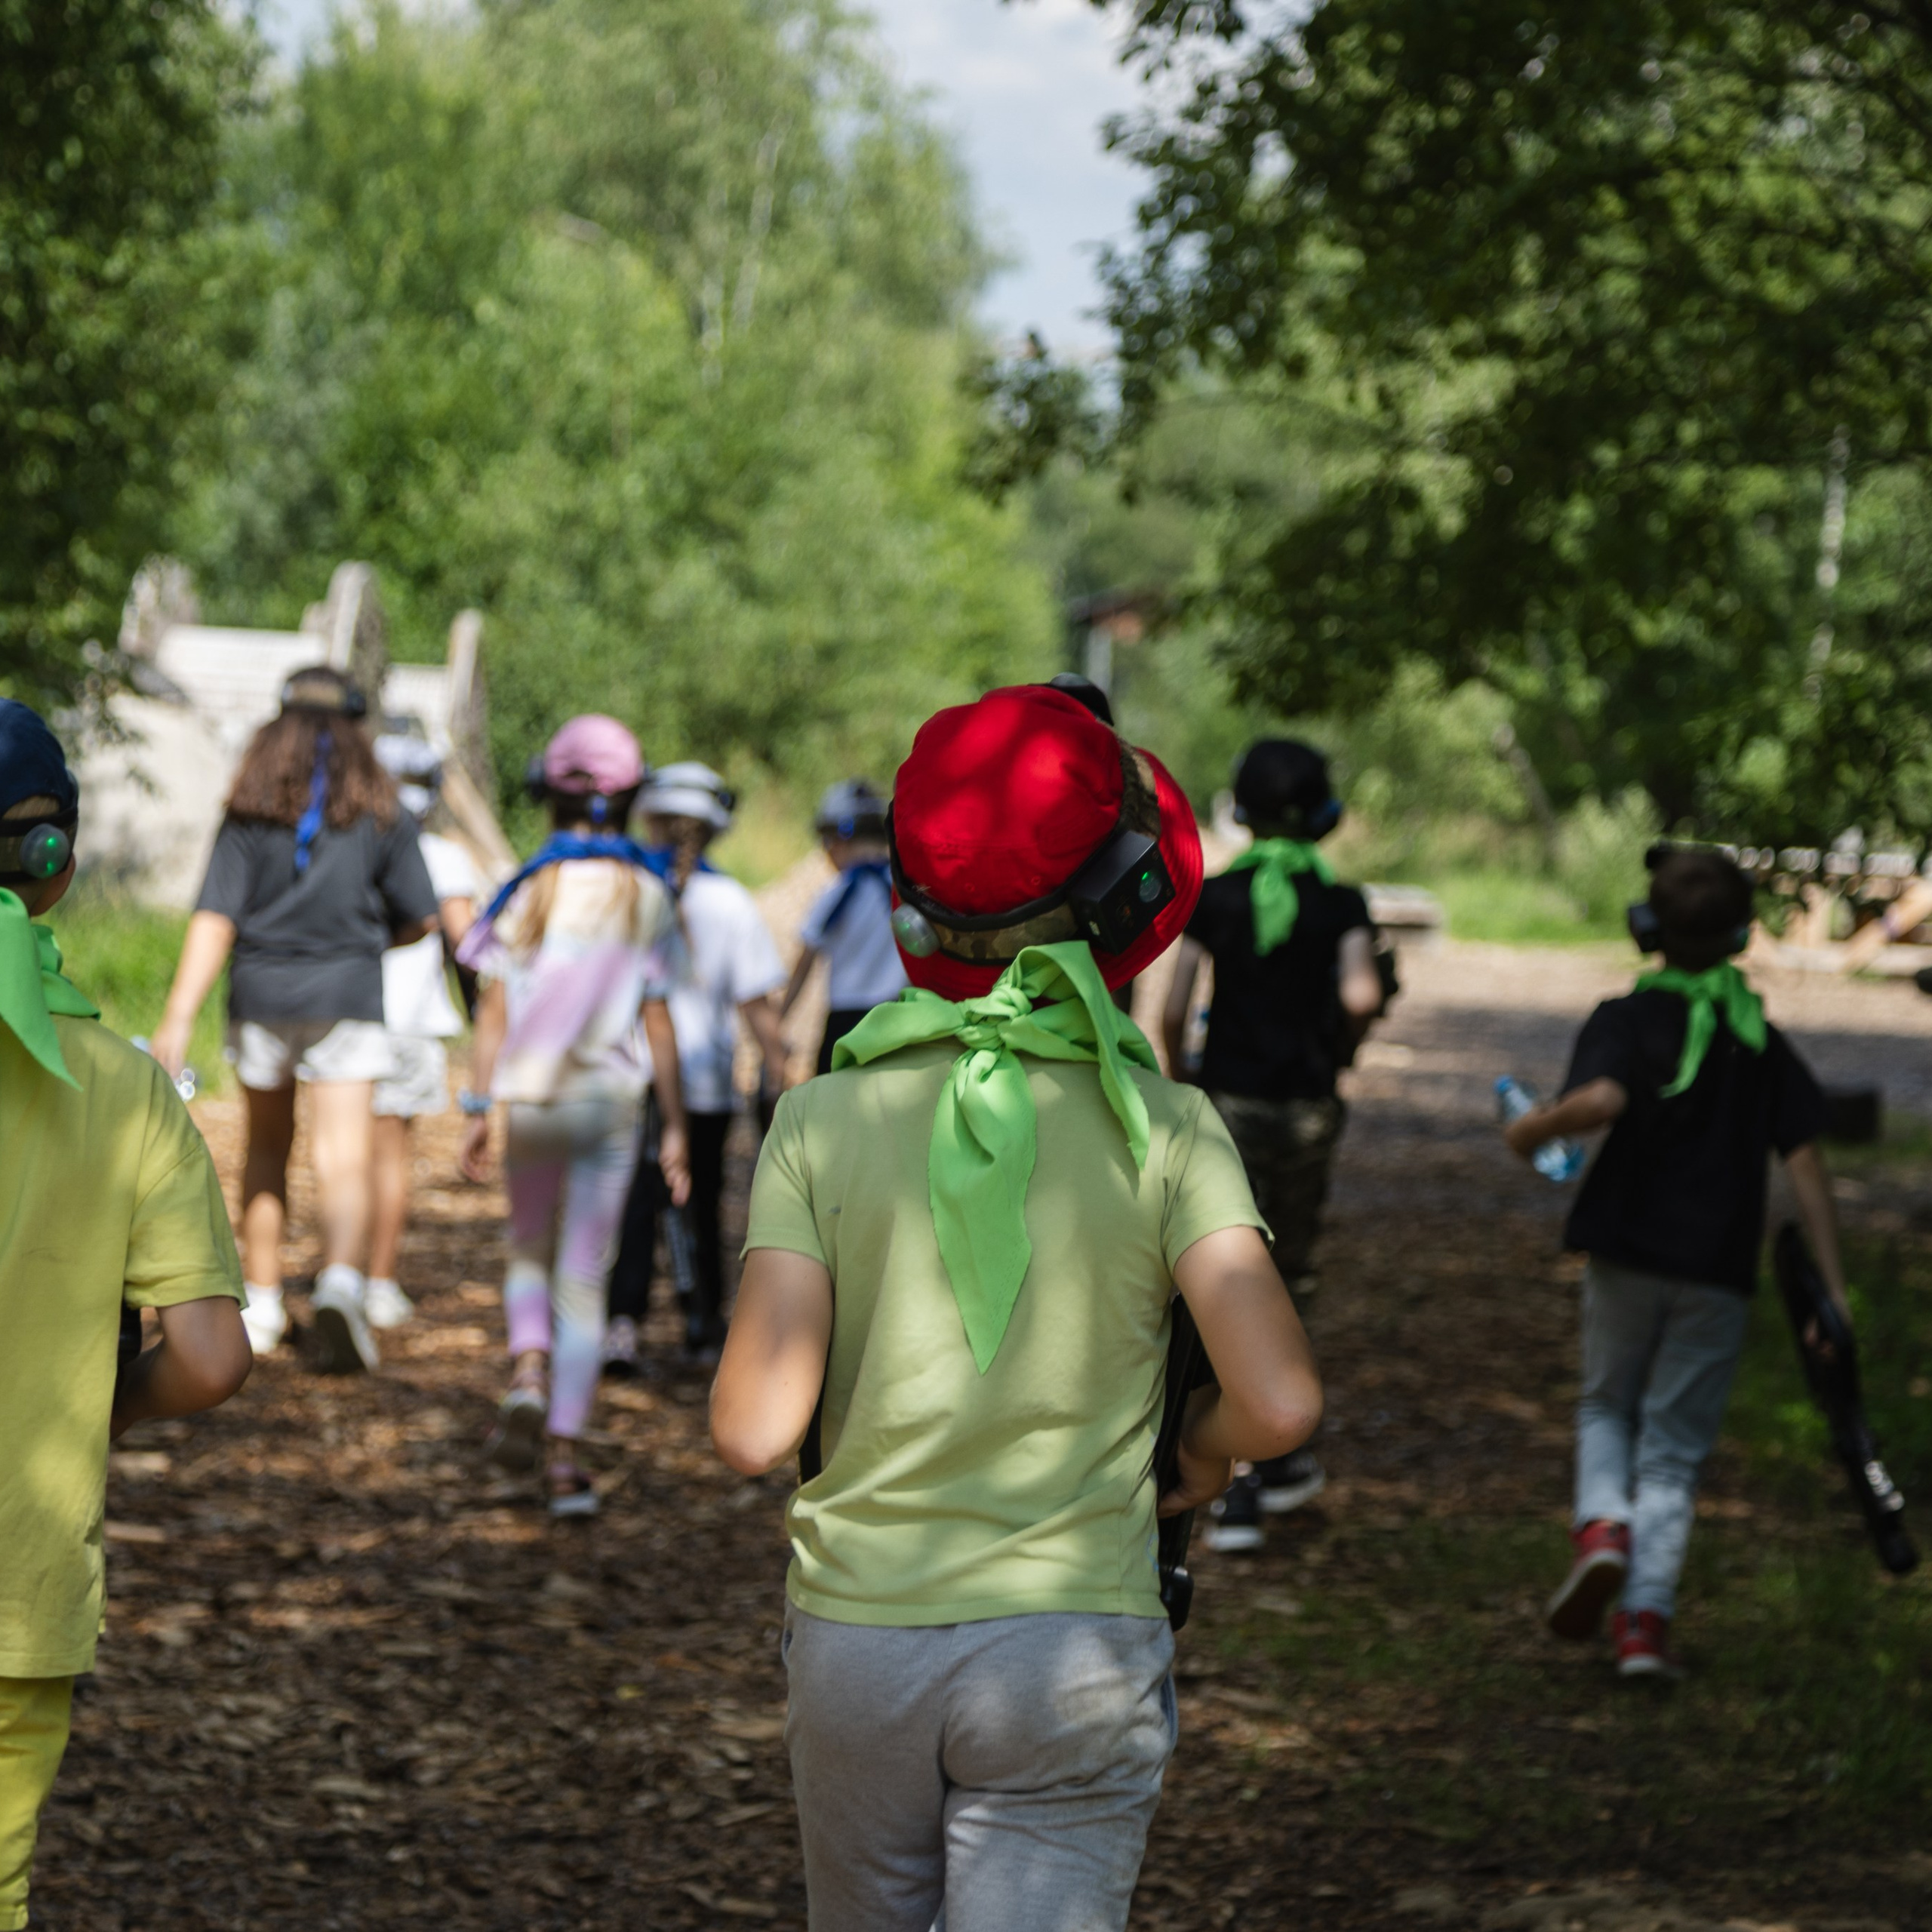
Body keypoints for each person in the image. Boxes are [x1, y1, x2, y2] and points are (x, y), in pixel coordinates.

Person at [711, 684, 1323, 1931]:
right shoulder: (1168, 1127)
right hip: (1073, 1647)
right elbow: (1277, 1400)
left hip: (856, 1648)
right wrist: (1192, 1455)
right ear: (1128, 893)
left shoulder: (823, 1119)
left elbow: (752, 1428)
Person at [0, 701, 252, 1931]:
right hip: (19, 1589)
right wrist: (97, 1405)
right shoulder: (129, 1094)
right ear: (54, 862)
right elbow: (207, 1358)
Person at [1503, 846, 1842, 1678]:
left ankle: (1601, 1528)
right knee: (1675, 1448)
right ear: (1740, 937)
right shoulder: (1758, 1037)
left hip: (1625, 1251)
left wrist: (1533, 1127)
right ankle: (1643, 1627)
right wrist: (1831, 1287)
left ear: (1645, 927)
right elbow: (1804, 1162)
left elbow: (1605, 1099)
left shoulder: (1622, 1017)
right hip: (1717, 1268)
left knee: (1605, 1404)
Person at [151, 667, 438, 1373]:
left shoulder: (250, 807)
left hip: (261, 994)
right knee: (344, 1153)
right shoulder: (381, 810)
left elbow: (216, 917)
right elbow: (422, 917)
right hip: (347, 994)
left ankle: (264, 1298)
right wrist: (368, 943)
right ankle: (340, 1283)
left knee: (267, 1149)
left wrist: (177, 1019)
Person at [457, 716, 690, 1516]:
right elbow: (659, 1021)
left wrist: (479, 1105)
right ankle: (564, 1462)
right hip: (610, 1105)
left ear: (548, 794)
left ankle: (526, 1371)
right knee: (583, 1278)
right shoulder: (651, 892)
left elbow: (491, 1011)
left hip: (530, 1096)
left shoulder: (527, 888)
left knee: (527, 1249)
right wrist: (680, 1127)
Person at [1160, 738, 1384, 1550]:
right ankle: (1280, 1452)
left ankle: (1232, 1475)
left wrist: (1184, 1072)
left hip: (1225, 1109)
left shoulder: (1212, 898)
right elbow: (1359, 992)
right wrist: (1342, 1051)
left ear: (1242, 810)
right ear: (1324, 814)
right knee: (1291, 1271)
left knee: (1218, 1272)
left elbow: (1174, 1004)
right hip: (1306, 1110)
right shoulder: (1343, 905)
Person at [603, 761, 789, 1371]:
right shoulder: (732, 902)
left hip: (628, 1077)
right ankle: (702, 1326)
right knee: (700, 1203)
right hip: (705, 1084)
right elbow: (757, 1004)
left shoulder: (622, 887)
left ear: (648, 819)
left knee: (632, 1204)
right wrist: (783, 1067)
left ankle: (620, 1328)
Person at [362, 735, 485, 1329]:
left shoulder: (351, 846)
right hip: (410, 1024)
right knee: (390, 1159)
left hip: (348, 1016)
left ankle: (341, 1270)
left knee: (343, 1155)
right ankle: (378, 1282)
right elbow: (469, 945)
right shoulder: (445, 857)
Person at [780, 779, 906, 1073]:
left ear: (839, 839)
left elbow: (803, 964)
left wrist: (780, 1018)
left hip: (845, 1022)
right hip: (898, 1018)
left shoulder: (836, 893)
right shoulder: (906, 891)